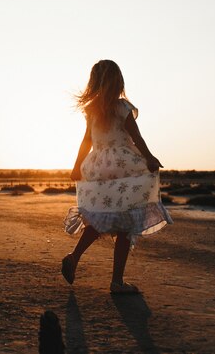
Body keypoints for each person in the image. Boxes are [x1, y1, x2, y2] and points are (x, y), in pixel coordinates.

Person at [62, 59, 173, 294]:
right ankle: (116, 282)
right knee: (123, 227)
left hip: (98, 167)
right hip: (124, 168)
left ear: (94, 82)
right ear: (118, 80)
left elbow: (86, 141)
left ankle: (74, 257)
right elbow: (136, 139)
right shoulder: (123, 107)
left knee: (101, 219)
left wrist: (76, 166)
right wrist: (150, 158)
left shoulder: (91, 109)